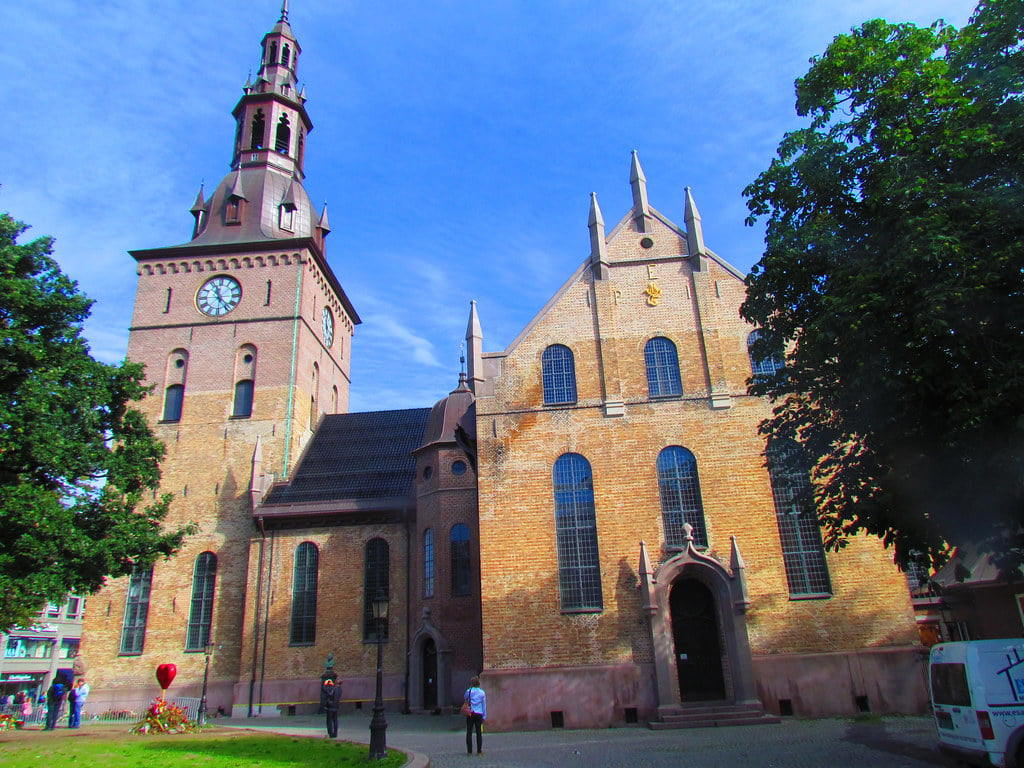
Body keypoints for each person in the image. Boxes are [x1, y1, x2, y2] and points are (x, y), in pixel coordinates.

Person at [463, 676, 486, 756]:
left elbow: (465, 697)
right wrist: (484, 716)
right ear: (478, 683)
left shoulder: (469, 691)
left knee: (469, 732)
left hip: (470, 713)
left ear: (472, 683)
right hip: (479, 713)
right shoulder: (482, 692)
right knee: (478, 733)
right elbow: (484, 705)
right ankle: (479, 751)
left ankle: (469, 751)